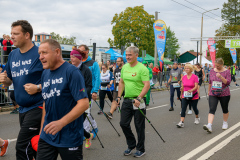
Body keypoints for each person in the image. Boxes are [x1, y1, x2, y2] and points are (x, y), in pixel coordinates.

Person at [37, 39, 89, 160]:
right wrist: (41, 132)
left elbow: (84, 103)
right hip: (47, 135)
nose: (40, 57)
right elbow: (46, 102)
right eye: (39, 53)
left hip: (69, 137)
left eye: (44, 53)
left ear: (57, 52)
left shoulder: (72, 72)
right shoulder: (45, 73)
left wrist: (61, 123)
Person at [0, 20, 44, 160]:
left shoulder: (40, 53)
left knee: (21, 146)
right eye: (11, 33)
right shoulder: (13, 55)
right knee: (34, 145)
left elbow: (58, 79)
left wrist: (38, 87)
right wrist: (4, 79)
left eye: (15, 33)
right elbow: (9, 81)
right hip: (22, 108)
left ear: (26, 35)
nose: (11, 36)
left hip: (39, 106)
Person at [117, 46, 150, 158]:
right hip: (127, 100)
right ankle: (131, 145)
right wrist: (118, 96)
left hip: (138, 100)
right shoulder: (124, 67)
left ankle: (141, 149)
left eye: (130, 55)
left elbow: (147, 85)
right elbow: (121, 82)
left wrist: (139, 98)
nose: (127, 57)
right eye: (126, 55)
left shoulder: (142, 69)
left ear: (136, 55)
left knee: (139, 126)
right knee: (123, 123)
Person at [70, 48, 94, 148]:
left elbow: (89, 86)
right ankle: (86, 136)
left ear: (79, 58)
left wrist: (81, 94)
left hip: (84, 100)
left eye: (73, 57)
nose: (71, 59)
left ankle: (87, 136)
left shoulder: (86, 70)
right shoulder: (69, 68)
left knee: (78, 122)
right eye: (70, 57)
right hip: (71, 100)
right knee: (72, 122)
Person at [203, 58, 231, 133]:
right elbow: (210, 82)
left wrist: (221, 77)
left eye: (218, 66)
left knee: (225, 109)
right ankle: (209, 125)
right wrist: (209, 91)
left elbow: (228, 82)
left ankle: (225, 122)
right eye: (215, 65)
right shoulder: (212, 71)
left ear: (222, 64)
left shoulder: (227, 71)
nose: (216, 67)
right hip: (213, 93)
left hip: (224, 93)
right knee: (212, 108)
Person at [78, 44, 100, 139]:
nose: (81, 53)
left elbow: (97, 78)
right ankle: (95, 127)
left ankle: (86, 132)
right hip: (79, 92)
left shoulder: (93, 63)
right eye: (79, 51)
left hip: (89, 91)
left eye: (82, 51)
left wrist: (95, 91)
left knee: (86, 111)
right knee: (82, 112)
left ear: (87, 51)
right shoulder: (78, 63)